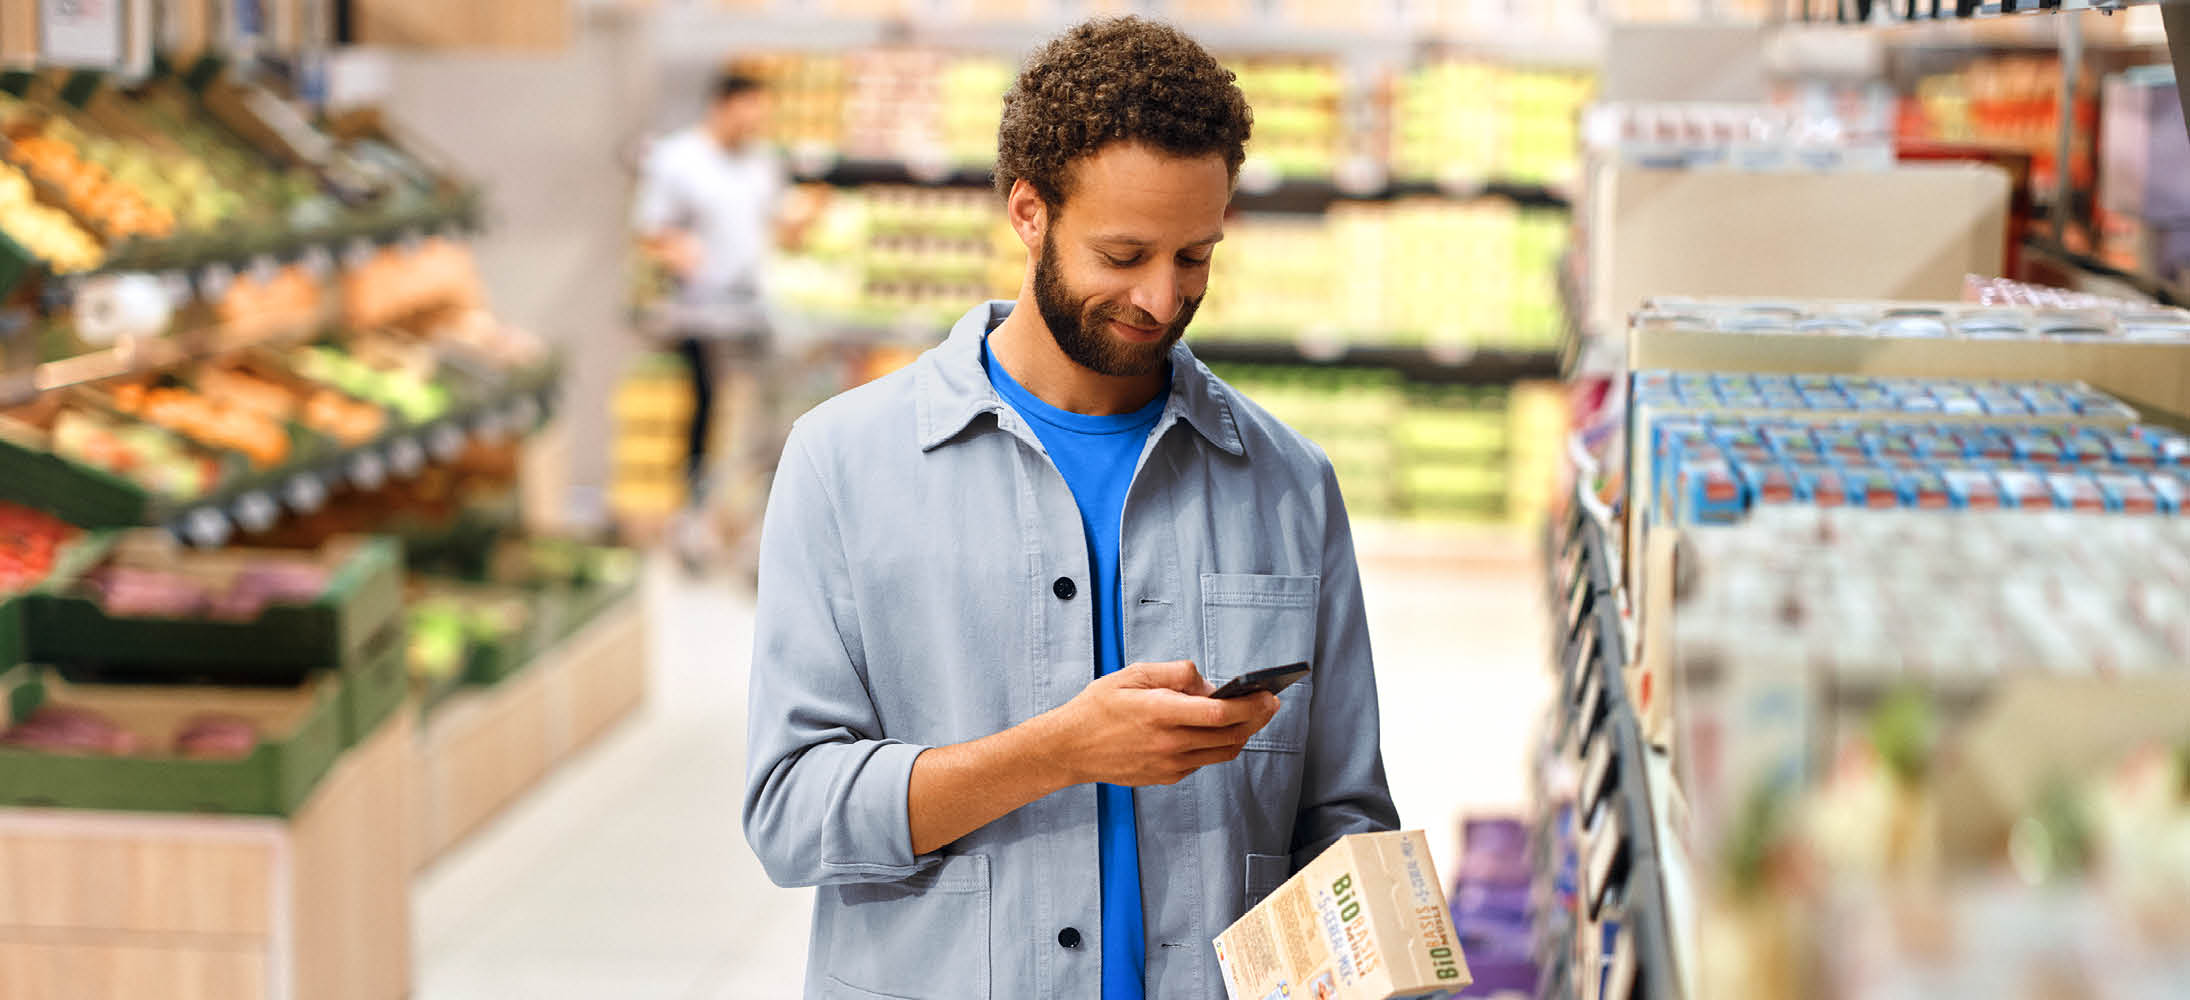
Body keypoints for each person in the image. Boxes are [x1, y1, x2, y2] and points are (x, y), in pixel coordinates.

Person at [743, 17, 1398, 999]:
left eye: (1195, 256)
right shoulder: (844, 464)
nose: (1160, 296)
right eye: (1124, 252)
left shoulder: (1287, 482)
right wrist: (1057, 751)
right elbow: (793, 815)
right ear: (1027, 212)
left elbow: (1345, 816)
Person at [631, 69, 804, 566]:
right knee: (712, 413)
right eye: (751, 110)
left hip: (757, 310)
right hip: (702, 313)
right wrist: (681, 252)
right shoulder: (677, 158)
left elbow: (774, 227)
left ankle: (752, 527)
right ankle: (697, 522)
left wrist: (797, 224)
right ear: (723, 104)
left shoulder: (762, 161)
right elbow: (651, 233)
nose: (758, 122)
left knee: (765, 416)